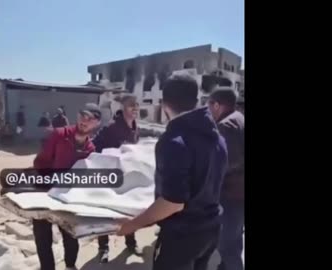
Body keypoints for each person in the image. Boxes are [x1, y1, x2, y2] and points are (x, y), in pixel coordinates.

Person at [117, 74, 228, 270]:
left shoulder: (174, 141)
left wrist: (132, 225)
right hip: (211, 230)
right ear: (196, 100)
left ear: (164, 103)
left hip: (182, 237)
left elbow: (173, 203)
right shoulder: (217, 137)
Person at [32, 103, 102, 270]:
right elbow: (40, 161)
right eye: (82, 116)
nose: (84, 121)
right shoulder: (59, 134)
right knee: (43, 237)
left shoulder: (91, 149)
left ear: (96, 123)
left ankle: (70, 266)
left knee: (70, 235)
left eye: (90, 118)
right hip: (44, 191)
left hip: (68, 198)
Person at [92, 94, 141, 263]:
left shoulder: (135, 126)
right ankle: (103, 247)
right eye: (131, 105)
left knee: (128, 210)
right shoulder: (111, 127)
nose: (135, 108)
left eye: (137, 105)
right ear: (122, 107)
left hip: (127, 176)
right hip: (110, 176)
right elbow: (94, 145)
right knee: (106, 211)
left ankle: (131, 242)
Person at [208, 88, 244, 270]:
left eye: (209, 104)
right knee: (234, 240)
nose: (208, 110)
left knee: (227, 246)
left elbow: (229, 162)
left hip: (232, 195)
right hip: (238, 194)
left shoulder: (226, 125)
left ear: (217, 105)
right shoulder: (239, 118)